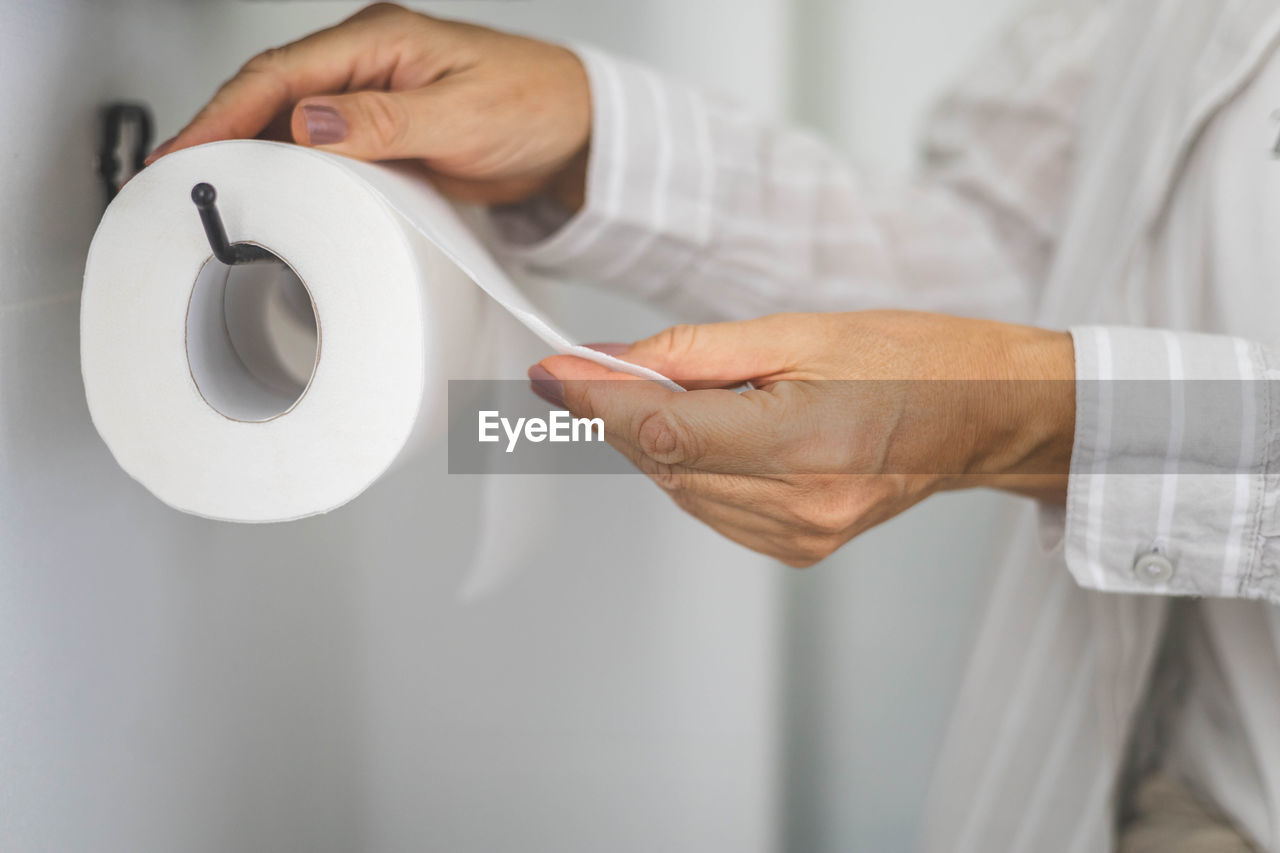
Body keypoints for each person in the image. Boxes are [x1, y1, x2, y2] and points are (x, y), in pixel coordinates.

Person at [150, 2, 1280, 850]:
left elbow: (1030, 362)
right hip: (1152, 789)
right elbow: (1032, 261)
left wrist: (1041, 421)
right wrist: (603, 141)